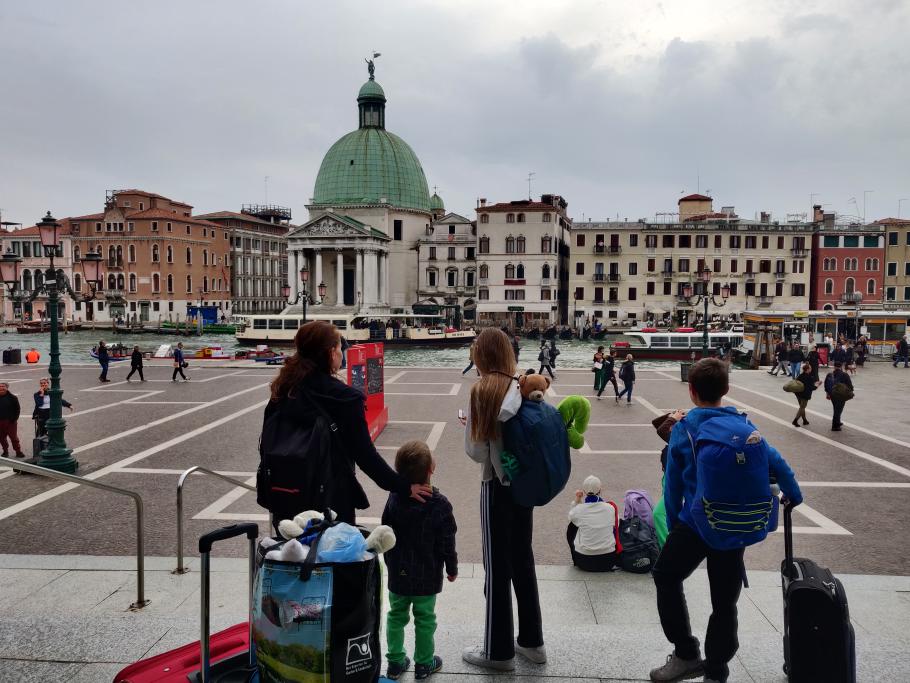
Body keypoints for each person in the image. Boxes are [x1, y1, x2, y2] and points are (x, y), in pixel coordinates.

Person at [650, 359, 803, 683]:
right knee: (724, 602)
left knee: (665, 575)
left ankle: (686, 654)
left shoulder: (685, 428)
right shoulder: (744, 426)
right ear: (726, 390)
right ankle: (717, 671)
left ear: (691, 392)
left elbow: (673, 484)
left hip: (695, 523)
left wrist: (678, 522)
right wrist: (794, 494)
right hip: (733, 525)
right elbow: (778, 462)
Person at [266, 320, 431, 525]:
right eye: (340, 346)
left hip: (285, 495)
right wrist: (404, 487)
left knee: (291, 553)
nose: (342, 352)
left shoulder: (283, 389)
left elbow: (267, 442)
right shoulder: (344, 398)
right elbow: (366, 456)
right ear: (330, 352)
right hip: (330, 501)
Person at [462, 328, 544, 671]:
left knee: (496, 568)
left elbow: (478, 452)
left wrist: (467, 426)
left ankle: (498, 652)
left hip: (495, 486)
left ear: (481, 355)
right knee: (523, 561)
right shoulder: (521, 384)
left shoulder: (482, 390)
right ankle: (532, 643)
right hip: (522, 486)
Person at [382, 440, 457, 681]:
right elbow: (447, 541)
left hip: (398, 572)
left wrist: (389, 561)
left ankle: (394, 662)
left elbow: (386, 531)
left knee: (396, 614)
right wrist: (452, 567)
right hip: (427, 574)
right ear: (430, 470)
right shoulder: (440, 504)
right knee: (425, 618)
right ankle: (424, 663)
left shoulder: (394, 498)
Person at [566, 475, 618, 572]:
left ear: (584, 492)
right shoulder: (610, 508)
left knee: (573, 525)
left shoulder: (579, 509)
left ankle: (575, 558)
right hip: (608, 561)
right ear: (600, 490)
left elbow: (571, 516)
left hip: (585, 561)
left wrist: (577, 499)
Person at [824, 360, 853, 432]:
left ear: (834, 367)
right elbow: (850, 386)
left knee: (836, 408)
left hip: (832, 394)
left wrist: (827, 393)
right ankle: (835, 426)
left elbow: (826, 384)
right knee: (838, 410)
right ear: (841, 367)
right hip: (841, 395)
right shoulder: (845, 375)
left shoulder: (829, 374)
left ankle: (838, 422)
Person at [0, 383, 26, 458]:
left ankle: (18, 451)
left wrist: (14, 419)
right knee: (1, 438)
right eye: (0, 387)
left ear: (7, 388)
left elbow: (17, 409)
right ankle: (5, 451)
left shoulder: (13, 398)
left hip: (10, 422)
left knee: (14, 438)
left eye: (3, 387)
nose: (1, 388)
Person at [792, 362, 816, 427]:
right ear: (807, 369)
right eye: (810, 368)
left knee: (802, 407)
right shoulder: (809, 377)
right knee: (802, 407)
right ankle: (795, 420)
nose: (811, 369)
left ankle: (804, 420)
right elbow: (812, 387)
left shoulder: (800, 375)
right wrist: (817, 385)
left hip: (798, 394)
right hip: (804, 395)